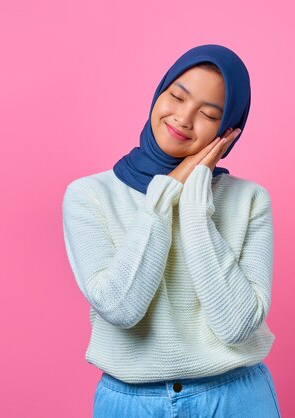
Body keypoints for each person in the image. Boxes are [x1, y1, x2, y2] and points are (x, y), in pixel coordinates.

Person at [62, 44, 280, 417]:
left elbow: (237, 326)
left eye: (208, 114)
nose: (182, 118)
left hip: (235, 399)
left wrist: (195, 207)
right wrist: (166, 194)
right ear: (159, 93)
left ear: (227, 131)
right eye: (176, 97)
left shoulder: (249, 200)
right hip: (130, 403)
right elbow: (120, 307)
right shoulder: (89, 196)